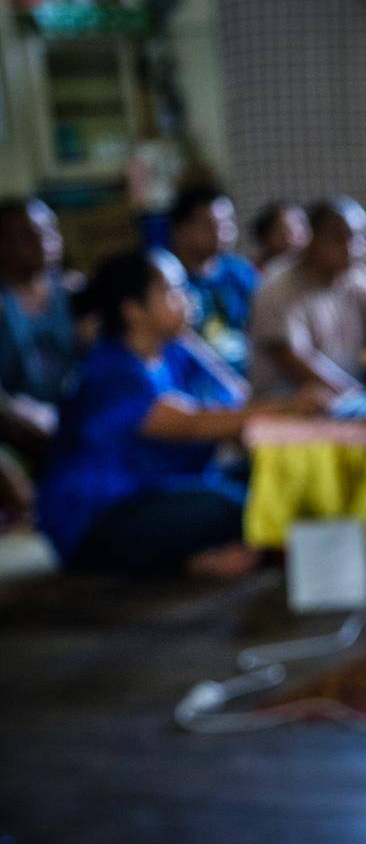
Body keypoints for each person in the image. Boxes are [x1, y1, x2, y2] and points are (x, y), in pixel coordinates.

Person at [36, 250, 321, 578]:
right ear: (133, 310)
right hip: (99, 519)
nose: (188, 300)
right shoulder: (111, 372)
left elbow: (238, 397)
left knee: (272, 480)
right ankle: (187, 561)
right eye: (173, 292)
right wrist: (291, 406)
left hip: (164, 490)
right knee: (234, 506)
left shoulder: (172, 350)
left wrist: (187, 337)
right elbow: (192, 424)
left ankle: (204, 555)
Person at [248, 196, 366, 397]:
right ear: (311, 238)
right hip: (286, 408)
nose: (353, 247)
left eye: (361, 237)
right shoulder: (277, 287)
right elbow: (293, 359)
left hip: (344, 401)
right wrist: (355, 395)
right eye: (339, 237)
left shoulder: (360, 278)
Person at [0, 197, 79, 414]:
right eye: (33, 235)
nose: (50, 241)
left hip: (72, 412)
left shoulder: (73, 292)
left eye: (53, 231)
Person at [166, 186, 257, 373]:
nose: (225, 232)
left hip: (246, 379)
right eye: (212, 225)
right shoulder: (166, 281)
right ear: (181, 230)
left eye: (228, 223)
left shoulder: (239, 271)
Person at [249, 199, 310, 278]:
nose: (301, 234)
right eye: (289, 231)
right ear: (268, 238)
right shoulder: (251, 276)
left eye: (304, 224)